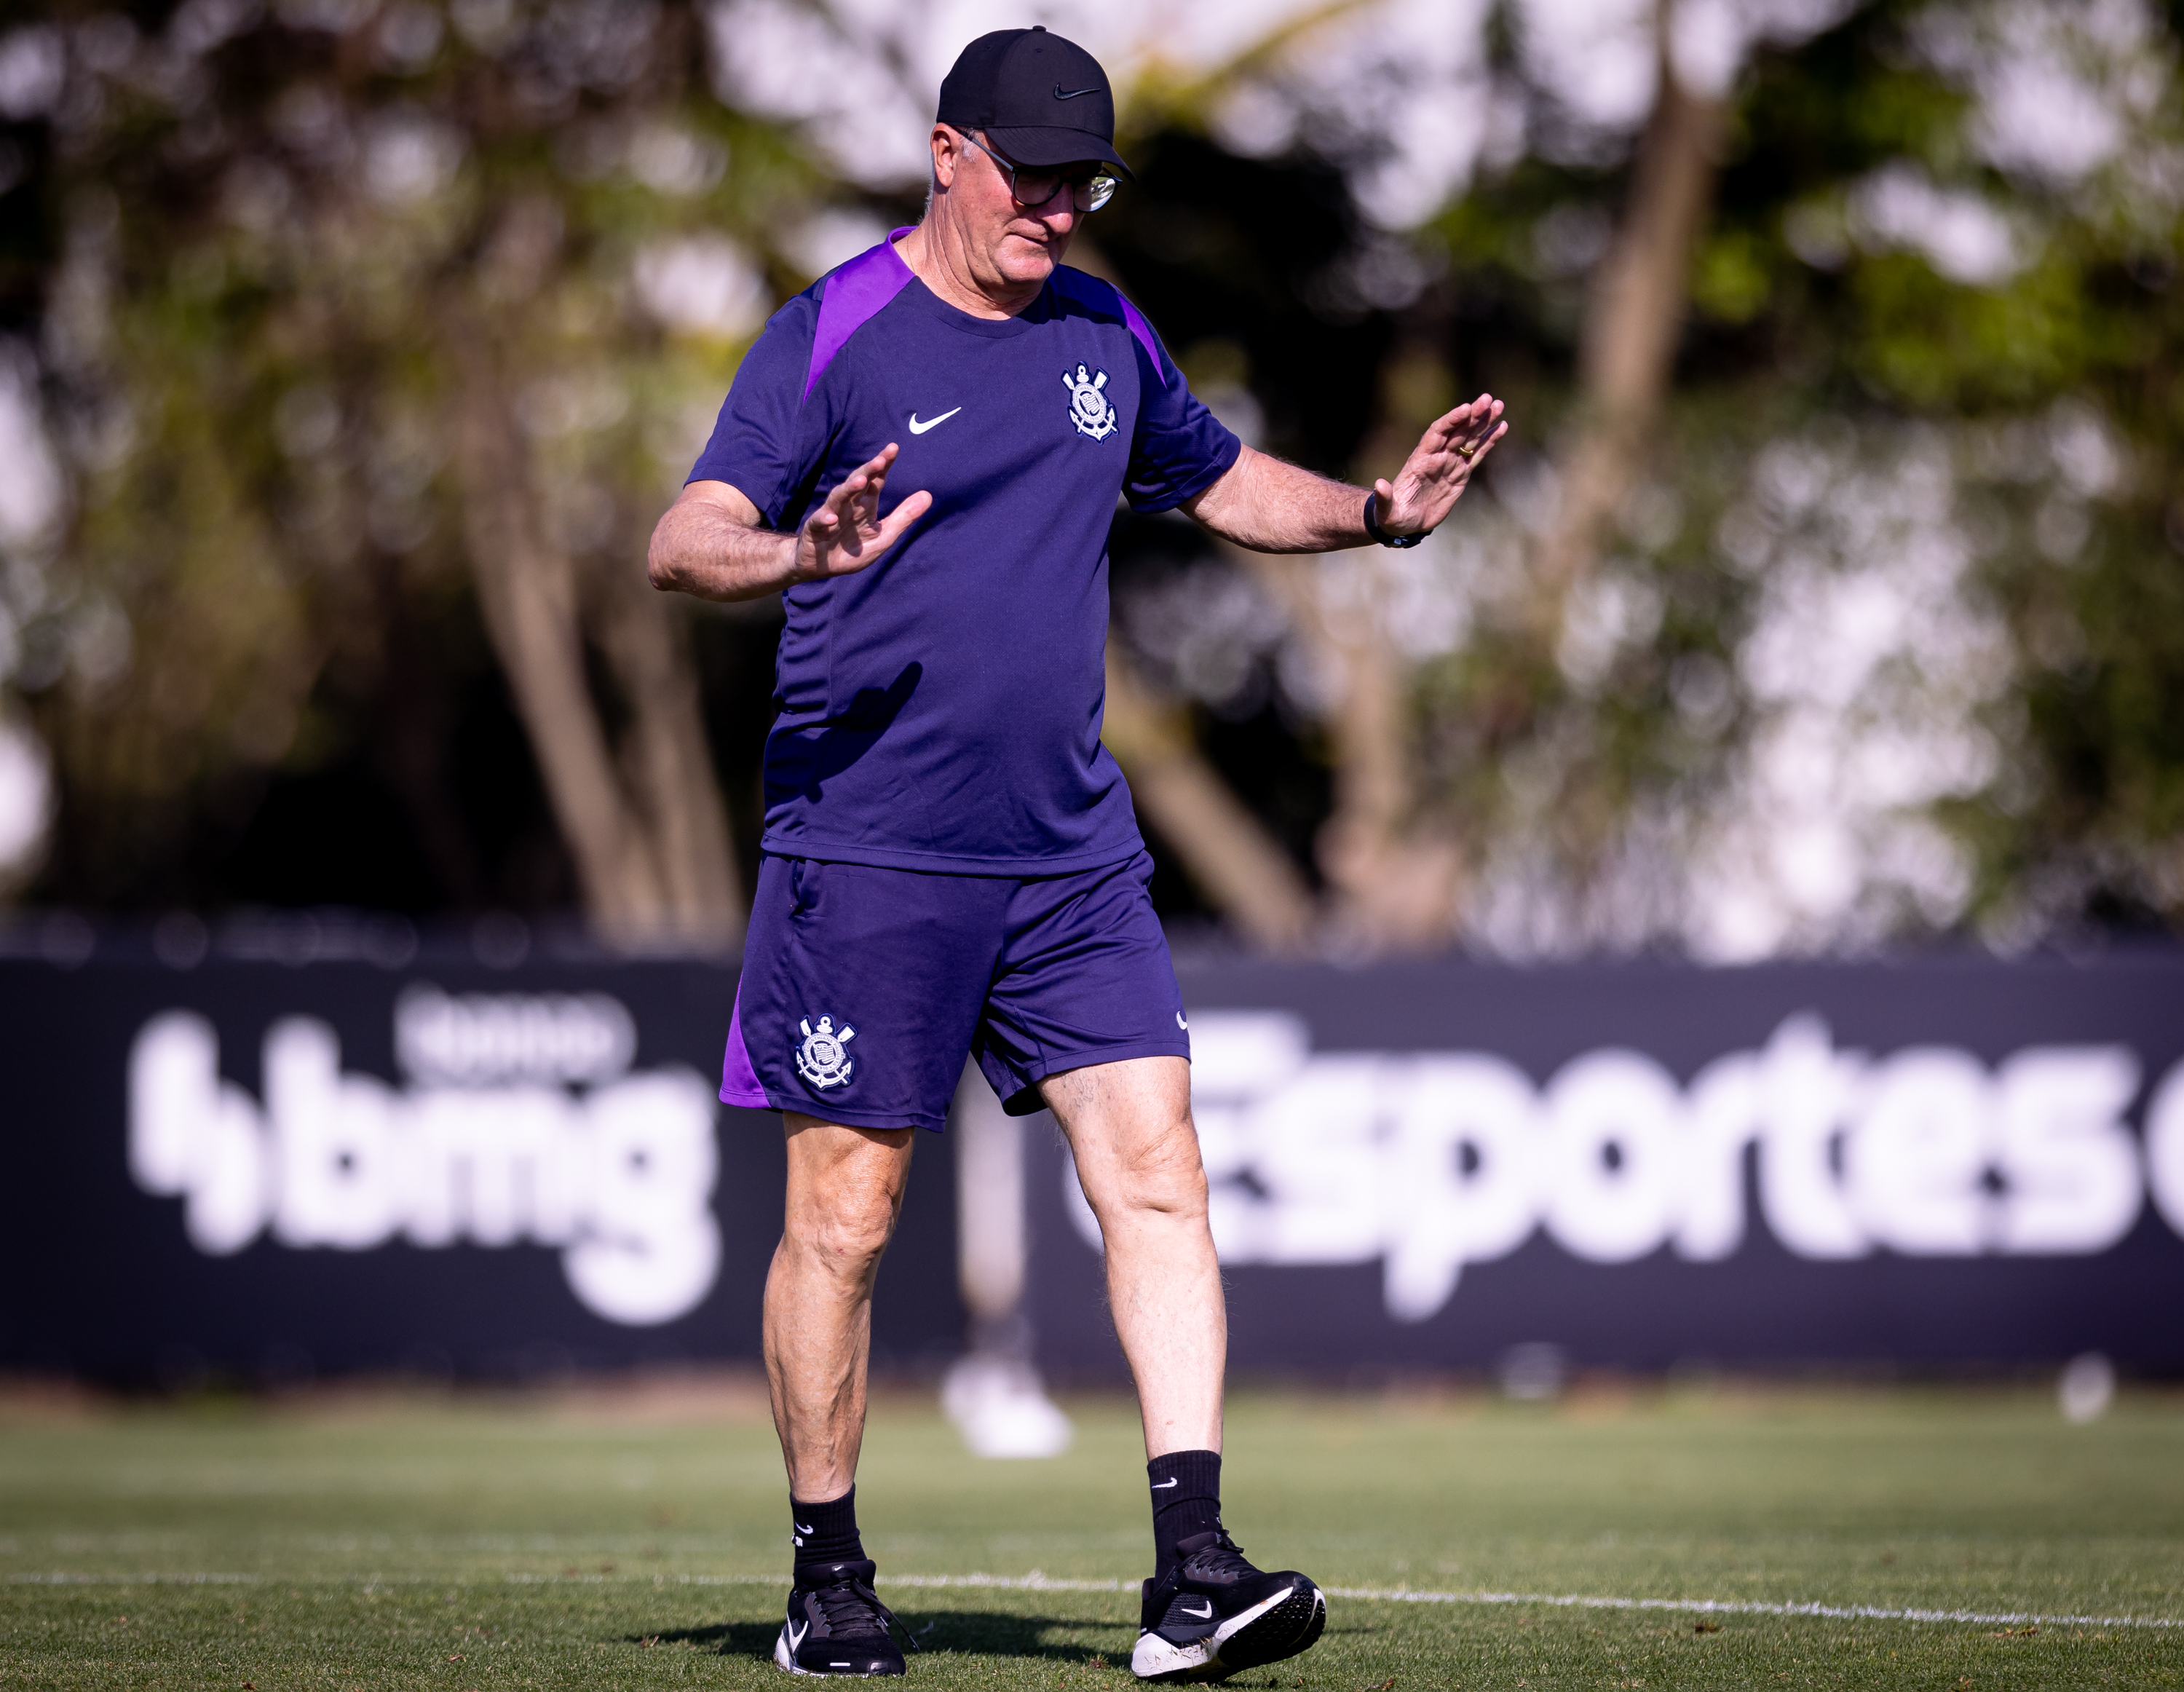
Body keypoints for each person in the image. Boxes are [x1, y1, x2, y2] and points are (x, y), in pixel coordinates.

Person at [647, 24, 1506, 1683]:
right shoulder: (831, 332)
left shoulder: (1101, 330)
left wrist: (1381, 514)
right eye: (1032, 174)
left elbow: (1221, 478)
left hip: (1068, 857)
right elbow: (682, 538)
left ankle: (1194, 1572)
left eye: (1083, 180)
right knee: (847, 1219)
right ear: (947, 151)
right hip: (869, 849)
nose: (1056, 206)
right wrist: (793, 551)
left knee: (1160, 1167)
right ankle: (829, 1581)